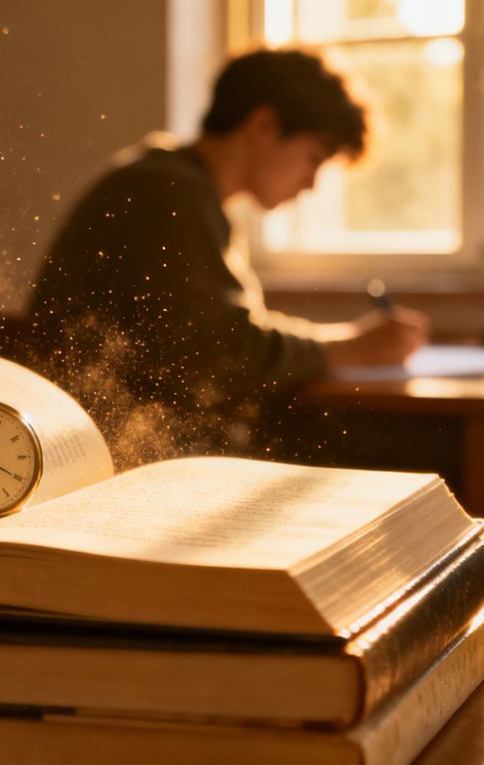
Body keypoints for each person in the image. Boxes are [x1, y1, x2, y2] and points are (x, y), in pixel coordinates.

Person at [26, 48, 428, 466]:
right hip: (112, 455)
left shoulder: (175, 185)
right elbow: (222, 353)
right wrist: (353, 349)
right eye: (314, 159)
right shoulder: (168, 195)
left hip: (127, 444)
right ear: (264, 125)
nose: (311, 184)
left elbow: (220, 339)